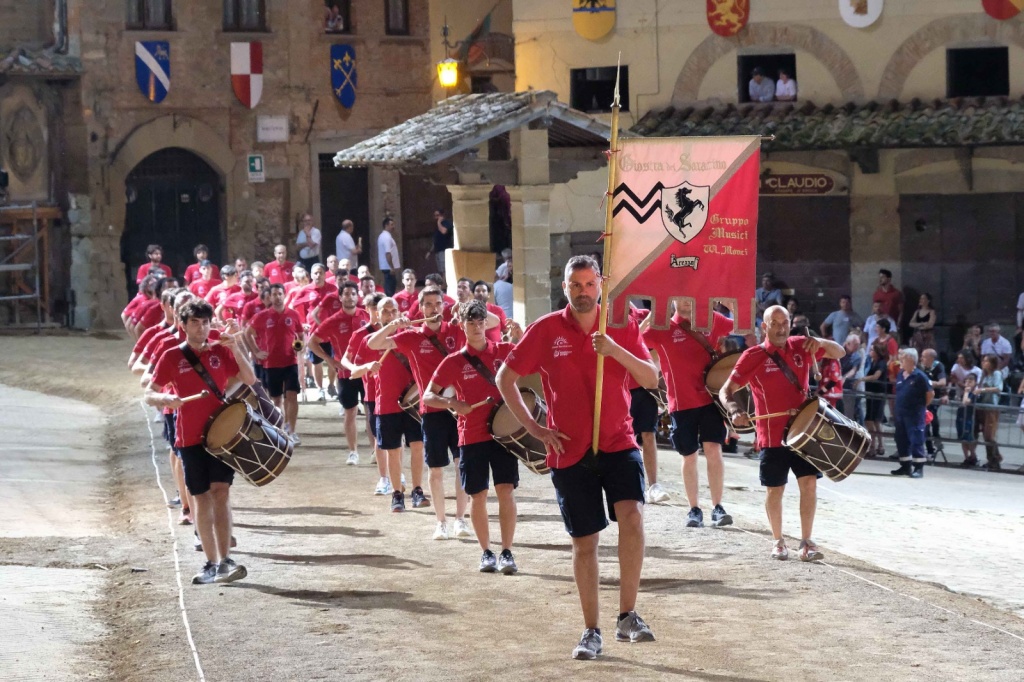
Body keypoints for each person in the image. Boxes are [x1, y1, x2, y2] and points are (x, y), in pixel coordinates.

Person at [496, 255, 659, 660]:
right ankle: (591, 630)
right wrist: (535, 428)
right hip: (569, 450)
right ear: (564, 287)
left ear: (600, 285)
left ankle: (628, 615)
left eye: (589, 285)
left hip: (619, 441)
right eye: (575, 285)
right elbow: (505, 378)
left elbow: (651, 378)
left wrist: (615, 349)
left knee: (633, 519)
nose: (583, 292)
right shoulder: (547, 328)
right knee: (585, 543)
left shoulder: (620, 325)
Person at [720, 305, 845, 562]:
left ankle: (807, 541)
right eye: (774, 323)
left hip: (803, 433)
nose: (780, 328)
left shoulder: (802, 345)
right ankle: (777, 540)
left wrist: (818, 341)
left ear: (790, 324)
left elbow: (839, 352)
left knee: (809, 484)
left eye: (784, 323)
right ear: (764, 326)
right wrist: (734, 411)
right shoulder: (753, 355)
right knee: (775, 490)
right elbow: (725, 391)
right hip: (771, 435)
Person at [146, 298, 256, 585]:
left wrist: (236, 347)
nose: (201, 327)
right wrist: (166, 398)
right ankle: (210, 562)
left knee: (222, 492)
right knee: (201, 497)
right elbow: (149, 392)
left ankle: (226, 561)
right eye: (195, 322)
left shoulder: (221, 349)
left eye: (206, 322)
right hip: (189, 436)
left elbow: (249, 378)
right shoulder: (172, 355)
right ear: (183, 325)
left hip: (220, 435)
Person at [368, 286, 474, 539]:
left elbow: (489, 326)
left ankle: (460, 519)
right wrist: (394, 325)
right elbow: (374, 343)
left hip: (459, 409)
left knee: (463, 466)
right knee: (435, 469)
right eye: (428, 304)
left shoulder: (457, 330)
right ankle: (441, 522)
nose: (434, 309)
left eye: (438, 304)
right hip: (432, 410)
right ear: (420, 308)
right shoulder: (413, 335)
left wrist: (466, 306)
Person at [425, 299, 523, 567]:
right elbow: (428, 395)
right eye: (471, 323)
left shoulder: (504, 351)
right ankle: (486, 552)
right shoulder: (453, 361)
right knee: (477, 494)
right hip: (471, 435)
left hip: (503, 434)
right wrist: (453, 403)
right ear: (462, 325)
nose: (477, 328)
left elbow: (532, 364)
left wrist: (521, 337)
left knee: (505, 490)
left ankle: (506, 551)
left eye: (481, 323)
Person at [642, 298, 735, 528]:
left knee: (714, 449)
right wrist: (655, 311)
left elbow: (741, 324)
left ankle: (717, 507)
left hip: (710, 399)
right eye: (679, 296)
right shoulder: (663, 327)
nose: (685, 301)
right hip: (681, 403)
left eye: (691, 295)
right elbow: (634, 338)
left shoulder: (711, 319)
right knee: (689, 455)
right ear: (672, 299)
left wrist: (727, 301)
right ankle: (694, 509)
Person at [370, 296, 428, 512]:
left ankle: (418, 490)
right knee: (393, 451)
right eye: (385, 311)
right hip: (386, 403)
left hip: (412, 402)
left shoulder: (409, 335)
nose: (390, 315)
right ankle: (396, 493)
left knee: (417, 446)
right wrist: (390, 327)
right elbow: (372, 344)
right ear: (378, 314)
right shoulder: (375, 337)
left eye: (393, 311)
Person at [308, 282, 370, 463]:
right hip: (345, 374)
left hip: (367, 372)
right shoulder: (333, 321)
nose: (350, 296)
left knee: (370, 412)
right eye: (346, 294)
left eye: (353, 293)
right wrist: (330, 360)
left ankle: (376, 451)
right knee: (350, 412)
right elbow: (312, 342)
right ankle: (353, 451)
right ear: (341, 297)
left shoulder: (366, 316)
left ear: (357, 296)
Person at [344, 292, 390, 494]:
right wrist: (360, 368)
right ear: (368, 310)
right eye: (373, 308)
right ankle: (385, 477)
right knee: (379, 435)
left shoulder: (395, 331)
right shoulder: (361, 334)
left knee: (399, 438)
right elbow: (347, 360)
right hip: (373, 391)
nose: (377, 313)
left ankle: (396, 473)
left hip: (397, 390)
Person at [245, 284, 303, 441]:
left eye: (280, 293)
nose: (277, 297)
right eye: (274, 294)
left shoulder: (293, 314)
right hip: (271, 364)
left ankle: (292, 430)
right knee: (276, 399)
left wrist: (299, 346)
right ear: (269, 297)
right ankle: (279, 430)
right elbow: (247, 333)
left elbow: (300, 334)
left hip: (291, 362)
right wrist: (256, 351)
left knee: (292, 396)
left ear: (284, 295)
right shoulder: (262, 316)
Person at [890, 349, 934, 478]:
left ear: (910, 359)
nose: (900, 361)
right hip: (900, 413)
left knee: (916, 439)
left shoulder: (920, 376)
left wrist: (921, 406)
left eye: (903, 358)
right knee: (901, 439)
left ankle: (919, 467)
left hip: (914, 414)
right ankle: (905, 465)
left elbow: (930, 394)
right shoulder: (900, 374)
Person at [977, 354, 1004, 470]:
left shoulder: (996, 374)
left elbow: (998, 388)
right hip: (983, 406)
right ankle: (992, 458)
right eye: (983, 361)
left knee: (989, 435)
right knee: (985, 435)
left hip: (992, 407)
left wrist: (982, 389)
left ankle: (995, 458)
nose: (984, 363)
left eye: (986, 361)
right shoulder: (984, 375)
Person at [920, 349, 947, 459]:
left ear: (931, 358)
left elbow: (943, 382)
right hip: (923, 399)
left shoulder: (938, 366)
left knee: (933, 421)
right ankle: (930, 448)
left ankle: (936, 440)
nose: (922, 359)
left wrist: (930, 383)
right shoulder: (921, 367)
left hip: (934, 399)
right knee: (925, 425)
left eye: (924, 357)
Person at [840, 334, 865, 424]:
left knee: (848, 413)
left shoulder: (857, 356)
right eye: (855, 345)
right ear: (847, 344)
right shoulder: (838, 351)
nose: (857, 347)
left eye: (858, 344)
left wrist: (844, 378)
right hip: (834, 386)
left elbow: (853, 371)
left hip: (848, 387)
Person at [956, 374, 979, 467]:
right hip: (961, 416)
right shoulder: (963, 392)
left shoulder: (974, 393)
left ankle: (973, 456)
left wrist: (966, 392)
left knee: (969, 438)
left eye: (970, 382)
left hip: (969, 417)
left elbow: (966, 402)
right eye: (966, 381)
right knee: (963, 438)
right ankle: (966, 457)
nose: (967, 383)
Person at [377, 217, 400, 296]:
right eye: (391, 225)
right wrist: (391, 267)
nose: (393, 227)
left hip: (387, 266)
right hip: (388, 267)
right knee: (390, 288)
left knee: (390, 285)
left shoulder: (384, 236)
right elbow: (388, 253)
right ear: (386, 225)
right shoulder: (386, 237)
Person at [427, 208, 454, 274]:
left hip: (444, 250)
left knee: (445, 269)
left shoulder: (447, 223)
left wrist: (439, 222)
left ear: (442, 215)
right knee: (441, 270)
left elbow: (443, 231)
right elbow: (435, 240)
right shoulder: (436, 227)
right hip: (438, 251)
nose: (436, 217)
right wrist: (430, 252)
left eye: (437, 215)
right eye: (435, 216)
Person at [494, 249, 513, 319]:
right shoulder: (500, 283)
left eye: (511, 266)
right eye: (509, 266)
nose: (509, 268)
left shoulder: (499, 285)